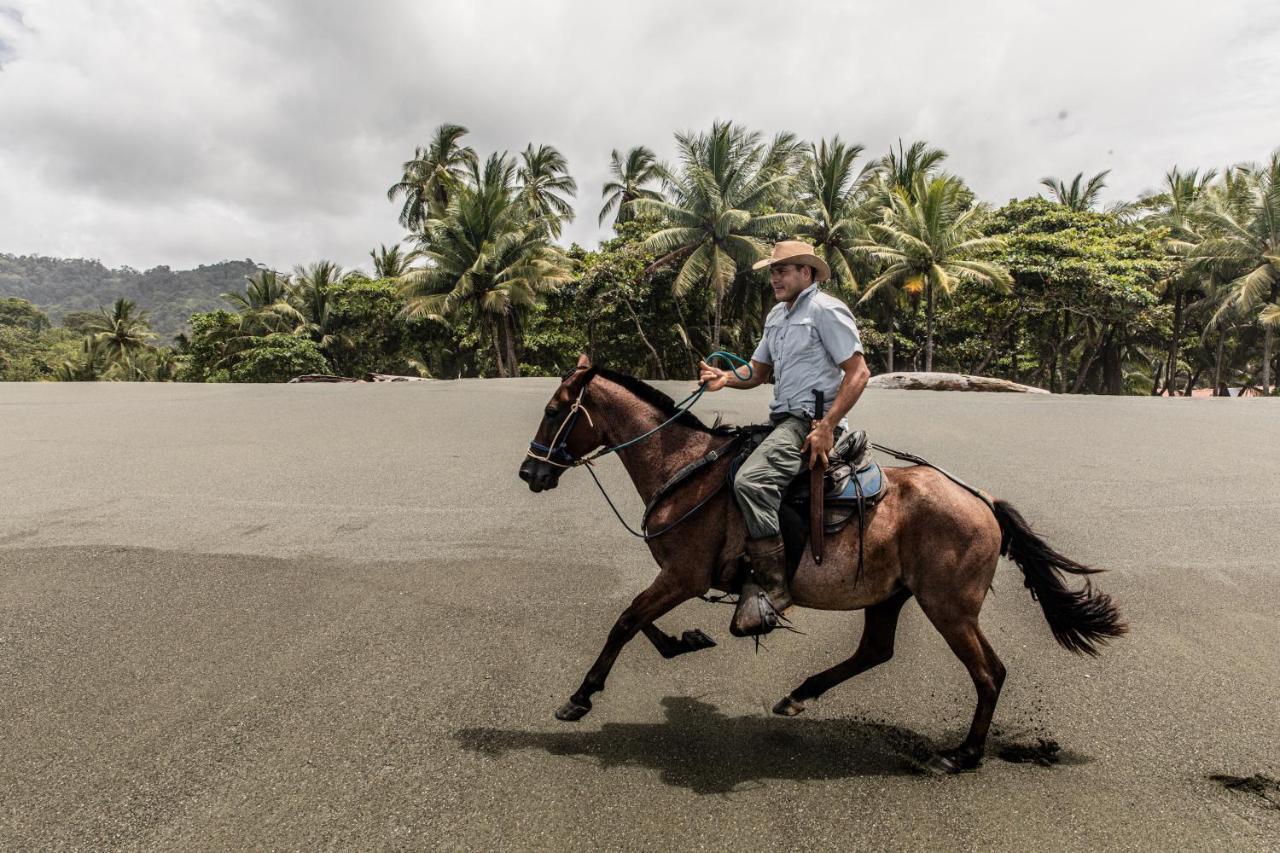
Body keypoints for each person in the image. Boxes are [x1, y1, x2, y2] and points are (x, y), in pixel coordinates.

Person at [698, 240, 871, 636]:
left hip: (809, 423)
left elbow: (858, 372)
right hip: (782, 420)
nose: (775, 277)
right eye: (773, 271)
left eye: (784, 269)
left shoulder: (826, 311)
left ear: (806, 274)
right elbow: (758, 372)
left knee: (751, 480)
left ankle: (775, 587)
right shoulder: (777, 315)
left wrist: (827, 426)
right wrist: (724, 379)